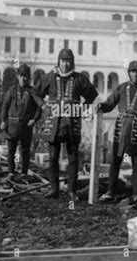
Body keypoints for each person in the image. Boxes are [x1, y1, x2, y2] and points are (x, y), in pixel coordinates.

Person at [33, 49, 98, 201]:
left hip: (72, 124)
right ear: (58, 61)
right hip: (54, 123)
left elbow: (92, 95)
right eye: (62, 60)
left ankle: (71, 191)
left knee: (73, 158)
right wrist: (42, 105)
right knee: (53, 156)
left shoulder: (79, 79)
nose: (65, 64)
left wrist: (83, 108)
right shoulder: (49, 77)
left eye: (68, 60)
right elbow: (35, 93)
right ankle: (54, 189)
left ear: (72, 62)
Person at [97, 60, 137, 205]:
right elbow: (110, 103)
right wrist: (101, 106)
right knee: (115, 160)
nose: (135, 74)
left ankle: (136, 193)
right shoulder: (121, 88)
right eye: (132, 71)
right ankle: (110, 192)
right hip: (121, 126)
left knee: (136, 162)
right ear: (129, 73)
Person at [0, 64, 41, 177]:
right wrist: (3, 121)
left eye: (26, 76)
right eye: (21, 76)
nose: (24, 78)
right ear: (18, 77)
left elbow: (39, 107)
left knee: (25, 152)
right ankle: (11, 172)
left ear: (29, 78)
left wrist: (34, 120)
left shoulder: (32, 91)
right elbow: (5, 106)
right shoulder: (12, 90)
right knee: (11, 151)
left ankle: (24, 174)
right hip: (12, 124)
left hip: (25, 125)